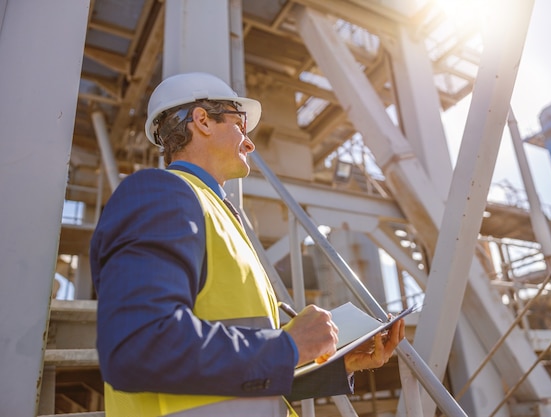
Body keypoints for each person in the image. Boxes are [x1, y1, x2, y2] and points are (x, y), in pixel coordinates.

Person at [90, 72, 405, 417]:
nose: (250, 142)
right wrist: (287, 345)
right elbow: (139, 346)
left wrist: (337, 361)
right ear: (203, 121)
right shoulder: (160, 193)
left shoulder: (218, 212)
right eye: (240, 123)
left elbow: (235, 375)